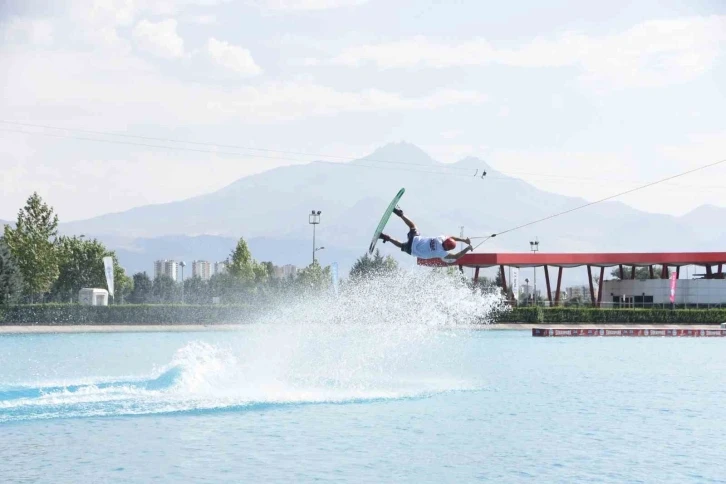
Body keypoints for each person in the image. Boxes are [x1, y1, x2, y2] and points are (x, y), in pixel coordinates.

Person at [379, 206, 473, 262]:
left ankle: (401, 214)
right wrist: (468, 248)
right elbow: (456, 256)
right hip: (413, 251)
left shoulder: (440, 238)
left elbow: (451, 237)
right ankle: (387, 238)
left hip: (415, 239)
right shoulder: (442, 253)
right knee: (401, 245)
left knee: (413, 226)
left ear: (445, 241)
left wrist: (464, 240)